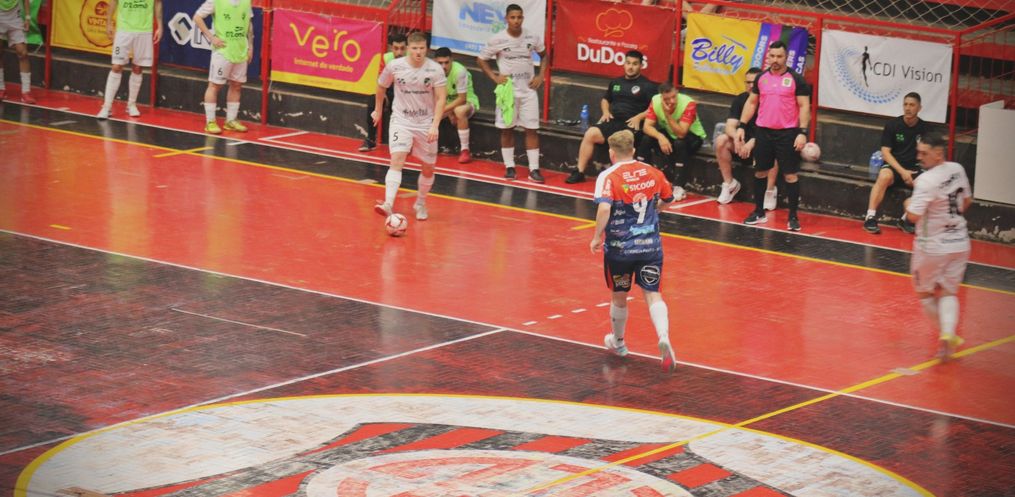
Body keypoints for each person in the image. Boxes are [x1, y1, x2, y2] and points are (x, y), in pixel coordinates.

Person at [590, 130, 678, 373]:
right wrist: (656, 210)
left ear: (611, 152)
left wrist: (597, 236)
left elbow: (604, 209)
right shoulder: (652, 171)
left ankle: (618, 343)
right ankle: (663, 336)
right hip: (650, 246)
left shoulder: (608, 176)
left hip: (620, 250)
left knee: (619, 295)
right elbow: (669, 198)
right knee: (653, 293)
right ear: (634, 150)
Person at [903, 133, 971, 361]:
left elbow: (913, 216)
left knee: (924, 293)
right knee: (949, 292)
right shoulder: (957, 169)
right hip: (960, 243)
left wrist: (907, 203)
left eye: (924, 153)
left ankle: (946, 333)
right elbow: (967, 202)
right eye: (918, 152)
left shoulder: (926, 180)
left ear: (939, 153)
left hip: (931, 247)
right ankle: (949, 335)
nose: (919, 157)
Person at [372, 32, 447, 221]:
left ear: (426, 49)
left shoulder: (435, 69)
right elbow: (381, 86)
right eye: (414, 48)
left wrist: (435, 125)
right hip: (401, 121)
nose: (418, 52)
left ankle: (420, 203)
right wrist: (378, 110)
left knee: (428, 167)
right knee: (397, 160)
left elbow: (441, 98)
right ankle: (388, 204)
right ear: (407, 48)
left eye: (422, 48)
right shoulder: (395, 66)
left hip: (425, 123)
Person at [737, 40, 811, 231]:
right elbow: (752, 103)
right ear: (768, 57)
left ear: (786, 58)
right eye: (772, 56)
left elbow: (804, 106)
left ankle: (793, 216)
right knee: (760, 172)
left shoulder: (796, 79)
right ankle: (759, 211)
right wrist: (742, 125)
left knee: (790, 175)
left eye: (779, 56)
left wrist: (802, 132)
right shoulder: (761, 78)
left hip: (787, 133)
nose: (775, 60)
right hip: (763, 132)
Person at [478, 3, 547, 183]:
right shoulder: (498, 39)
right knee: (506, 130)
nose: (516, 21)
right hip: (508, 93)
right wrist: (494, 77)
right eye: (512, 17)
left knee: (532, 129)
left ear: (523, 18)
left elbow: (544, 55)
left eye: (519, 17)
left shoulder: (532, 36)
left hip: (528, 91)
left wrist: (540, 76)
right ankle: (510, 167)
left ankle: (534, 170)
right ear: (506, 19)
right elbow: (481, 59)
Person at [565, 50, 656, 184]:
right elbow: (605, 99)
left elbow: (654, 107)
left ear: (641, 66)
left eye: (635, 64)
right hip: (613, 120)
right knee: (590, 133)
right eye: (628, 63)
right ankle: (579, 172)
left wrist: (639, 117)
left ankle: (621, 178)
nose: (630, 67)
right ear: (624, 64)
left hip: (632, 123)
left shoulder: (647, 85)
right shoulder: (616, 82)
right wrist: (606, 112)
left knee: (623, 141)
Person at [863, 92, 927, 234]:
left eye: (912, 105)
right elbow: (885, 152)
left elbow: (927, 154)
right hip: (894, 166)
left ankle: (905, 220)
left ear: (919, 108)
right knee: (884, 176)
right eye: (905, 104)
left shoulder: (925, 129)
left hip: (914, 168)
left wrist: (917, 172)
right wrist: (902, 172)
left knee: (926, 185)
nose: (908, 108)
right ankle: (870, 217)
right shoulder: (892, 125)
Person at [716, 67, 779, 206]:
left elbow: (770, 130)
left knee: (773, 147)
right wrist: (737, 139)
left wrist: (752, 142)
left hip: (763, 142)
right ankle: (730, 184)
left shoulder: (771, 101)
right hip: (742, 146)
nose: (751, 86)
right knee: (721, 140)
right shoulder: (740, 99)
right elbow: (730, 126)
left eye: (754, 82)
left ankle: (769, 191)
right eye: (748, 82)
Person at [637, 82, 707, 200]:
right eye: (667, 99)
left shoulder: (688, 103)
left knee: (680, 143)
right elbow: (646, 127)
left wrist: (667, 114)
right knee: (646, 138)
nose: (672, 101)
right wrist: (661, 137)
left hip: (693, 137)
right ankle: (642, 180)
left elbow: (681, 133)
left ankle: (679, 186)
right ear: (661, 97)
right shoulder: (655, 100)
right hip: (671, 135)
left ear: (677, 92)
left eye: (674, 97)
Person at [96, 0, 163, 119]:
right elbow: (113, 1)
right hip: (123, 31)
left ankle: (131, 104)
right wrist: (108, 22)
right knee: (116, 66)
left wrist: (160, 25)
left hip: (144, 31)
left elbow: (158, 3)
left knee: (138, 67)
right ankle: (106, 107)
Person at [194, 0, 253, 134]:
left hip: (240, 51)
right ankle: (210, 122)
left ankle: (231, 120)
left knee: (237, 85)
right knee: (215, 85)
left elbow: (249, 24)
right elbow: (197, 17)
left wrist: (250, 46)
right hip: (223, 52)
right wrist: (211, 38)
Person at [359, 34, 407, 152]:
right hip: (390, 91)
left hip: (407, 94)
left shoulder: (412, 59)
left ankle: (405, 142)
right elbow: (382, 81)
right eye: (396, 48)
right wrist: (382, 98)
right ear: (391, 48)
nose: (399, 52)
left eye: (402, 48)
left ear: (407, 48)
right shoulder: (386, 58)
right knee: (373, 100)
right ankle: (371, 140)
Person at [433, 47, 479, 164]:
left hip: (467, 102)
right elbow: (436, 95)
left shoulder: (460, 71)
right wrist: (447, 112)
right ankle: (424, 145)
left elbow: (462, 99)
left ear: (452, 60)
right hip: (447, 103)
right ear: (435, 62)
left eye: (446, 62)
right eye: (440, 63)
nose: (443, 66)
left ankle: (465, 150)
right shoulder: (432, 72)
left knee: (459, 111)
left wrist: (444, 110)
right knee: (425, 112)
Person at [0, 0, 35, 103]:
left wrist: (27, 18)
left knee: (23, 52)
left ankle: (26, 92)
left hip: (15, 17)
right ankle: (1, 88)